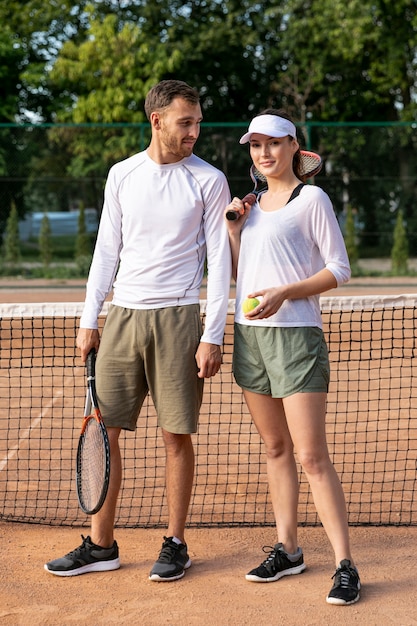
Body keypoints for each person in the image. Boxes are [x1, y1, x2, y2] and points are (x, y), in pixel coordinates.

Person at [44, 79, 232, 581]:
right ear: (157, 120)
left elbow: (220, 261)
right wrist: (90, 320)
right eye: (185, 122)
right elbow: (106, 251)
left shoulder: (209, 180)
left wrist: (213, 333)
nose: (194, 130)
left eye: (197, 121)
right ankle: (101, 545)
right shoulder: (122, 175)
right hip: (123, 318)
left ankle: (175, 544)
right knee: (104, 432)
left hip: (179, 320)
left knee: (176, 437)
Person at [225, 109, 361, 605]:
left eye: (273, 144)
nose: (264, 153)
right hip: (250, 337)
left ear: (293, 148)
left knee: (310, 455)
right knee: (276, 449)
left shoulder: (313, 199)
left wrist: (288, 293)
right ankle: (288, 549)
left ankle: (346, 564)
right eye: (255, 145)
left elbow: (339, 269)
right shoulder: (251, 206)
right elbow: (244, 271)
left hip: (297, 337)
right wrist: (236, 230)